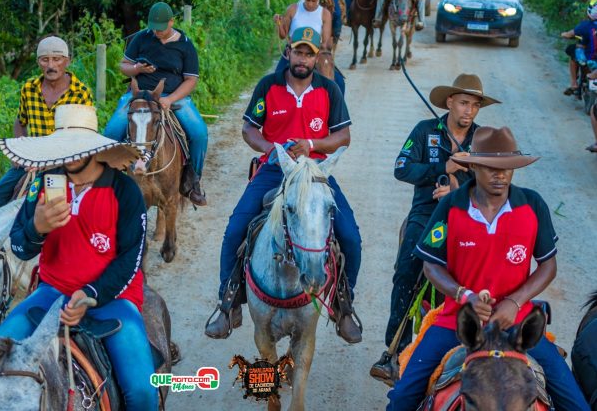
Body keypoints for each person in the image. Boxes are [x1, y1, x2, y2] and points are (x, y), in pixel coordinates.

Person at [386, 126, 590, 411]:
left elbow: (548, 265)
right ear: (473, 167)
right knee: (401, 400)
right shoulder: (451, 206)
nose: (500, 175)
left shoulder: (532, 205)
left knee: (577, 405)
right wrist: (463, 295)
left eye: (507, 168)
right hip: (456, 321)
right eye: (491, 168)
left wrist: (515, 301)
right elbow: (431, 265)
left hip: (518, 321)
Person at [0, 104, 156, 410]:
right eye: (63, 148)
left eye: (76, 149)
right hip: (51, 293)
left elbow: (131, 258)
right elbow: (19, 248)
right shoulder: (43, 184)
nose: (68, 156)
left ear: (94, 149)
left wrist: (91, 294)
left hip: (114, 299)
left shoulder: (125, 191)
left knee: (142, 393)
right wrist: (37, 228)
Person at [204, 27, 363, 344]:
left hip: (314, 170)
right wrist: (269, 149)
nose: (302, 59)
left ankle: (344, 305)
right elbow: (249, 128)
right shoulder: (268, 85)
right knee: (236, 227)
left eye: (309, 53)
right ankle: (228, 301)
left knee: (350, 235)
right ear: (287, 52)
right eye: (298, 51)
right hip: (275, 169)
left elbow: (343, 136)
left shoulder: (329, 90)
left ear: (317, 57)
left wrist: (311, 143)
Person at [370, 74, 500, 384]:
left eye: (475, 105)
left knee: (487, 278)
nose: (469, 111)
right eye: (464, 103)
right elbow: (402, 168)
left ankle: (480, 348)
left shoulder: (484, 140)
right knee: (406, 272)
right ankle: (394, 352)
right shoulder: (425, 130)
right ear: (450, 102)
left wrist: (459, 186)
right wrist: (443, 168)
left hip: (472, 216)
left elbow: (497, 187)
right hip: (427, 214)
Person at [0, 36, 94, 228]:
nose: (51, 65)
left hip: (66, 161)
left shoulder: (81, 93)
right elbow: (20, 122)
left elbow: (84, 137)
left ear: (67, 60)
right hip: (32, 161)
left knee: (64, 211)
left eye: (57, 59)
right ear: (38, 62)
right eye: (45, 59)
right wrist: (21, 154)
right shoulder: (29, 88)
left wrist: (57, 161)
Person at [103, 2, 208, 206]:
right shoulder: (142, 37)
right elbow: (123, 66)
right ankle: (108, 182)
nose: (156, 32)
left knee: (199, 133)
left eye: (161, 28)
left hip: (173, 96)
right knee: (111, 132)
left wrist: (169, 99)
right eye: (153, 27)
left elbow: (191, 80)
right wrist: (137, 68)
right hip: (139, 95)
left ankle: (192, 181)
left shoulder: (185, 45)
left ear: (171, 22)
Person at [273, 0, 346, 95]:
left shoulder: (325, 13)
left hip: (314, 52)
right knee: (276, 80)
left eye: (314, 1)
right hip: (293, 51)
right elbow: (283, 35)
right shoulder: (293, 9)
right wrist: (278, 24)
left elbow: (325, 40)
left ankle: (339, 112)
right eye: (308, 0)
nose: (310, 4)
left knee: (339, 82)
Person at [561, 0, 597, 97]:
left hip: (590, 57)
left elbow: (569, 34)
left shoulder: (586, 25)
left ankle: (574, 83)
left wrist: (564, 34)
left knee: (574, 52)